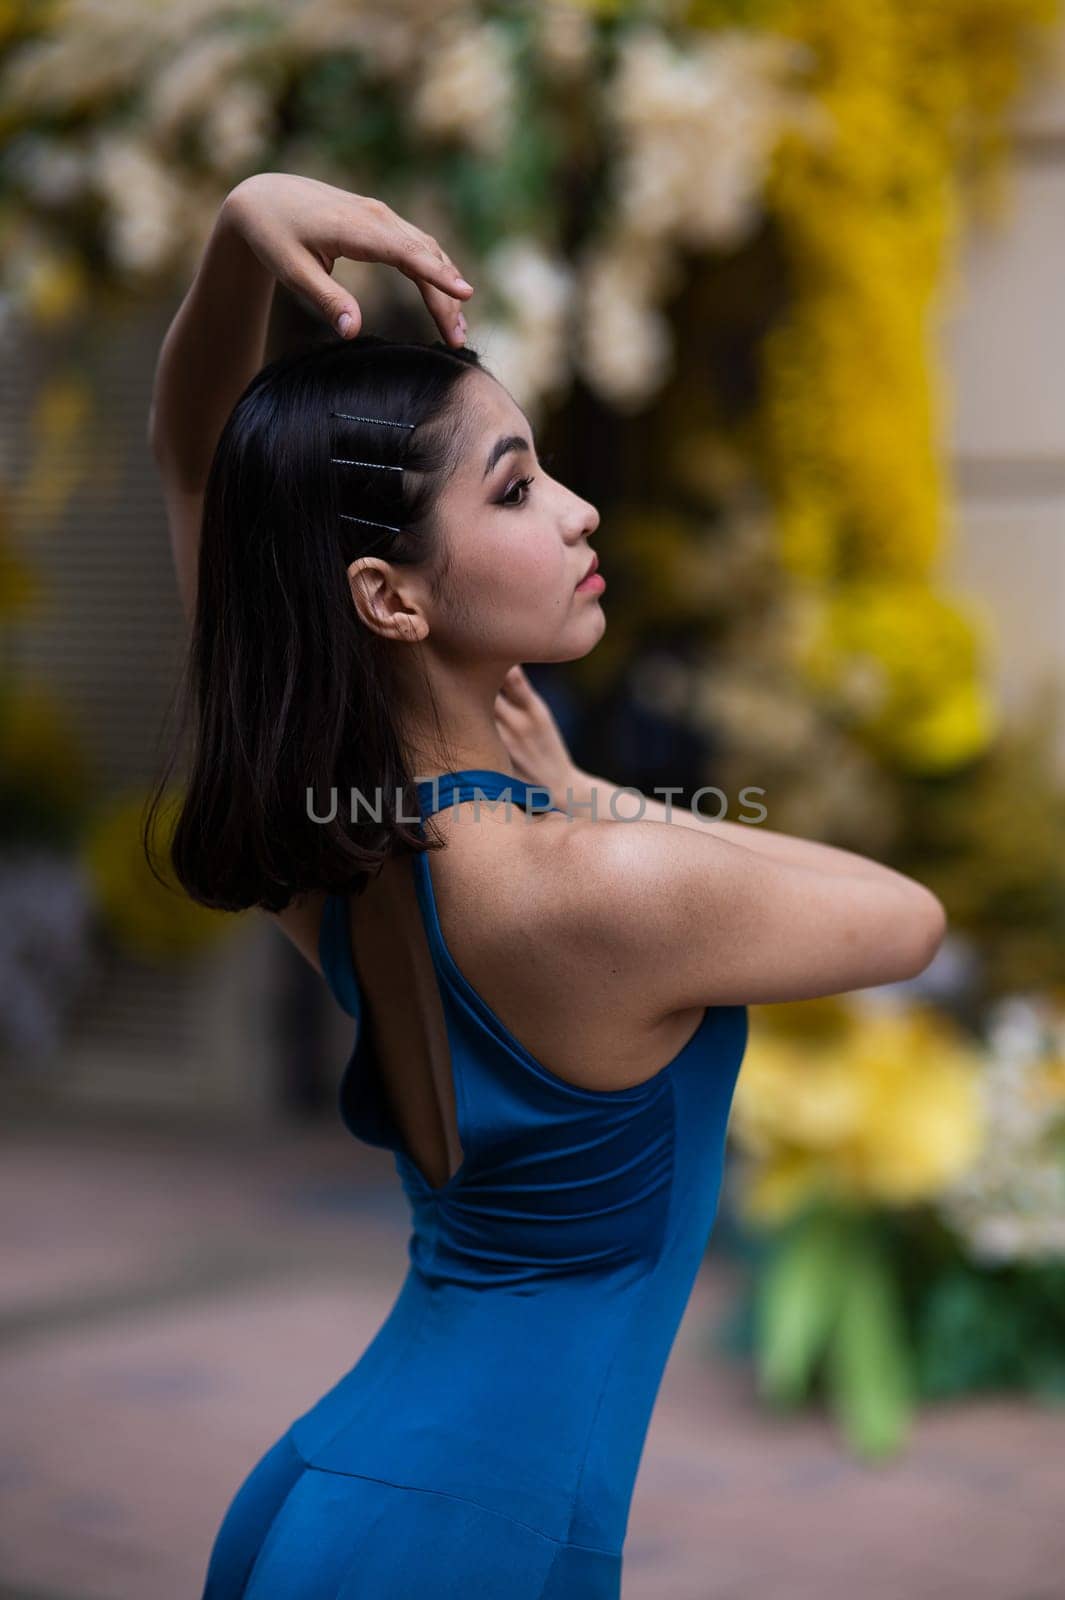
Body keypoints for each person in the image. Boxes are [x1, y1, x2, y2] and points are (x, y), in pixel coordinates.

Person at [146, 173, 947, 1600]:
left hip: (344, 1496)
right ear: (390, 598)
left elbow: (206, 473)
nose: (578, 513)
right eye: (515, 487)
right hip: (456, 1540)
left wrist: (240, 227)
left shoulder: (323, 848)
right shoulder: (596, 882)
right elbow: (904, 917)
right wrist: (588, 799)